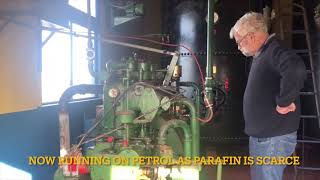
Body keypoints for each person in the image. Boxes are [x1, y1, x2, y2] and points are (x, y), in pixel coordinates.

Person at [229, 12, 307, 180]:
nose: (238, 46)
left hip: (273, 139)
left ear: (251, 36)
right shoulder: (263, 53)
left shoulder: (274, 50)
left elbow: (296, 69)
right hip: (265, 138)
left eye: (239, 41)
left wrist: (284, 102)